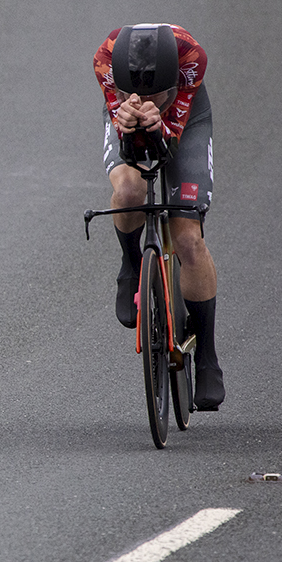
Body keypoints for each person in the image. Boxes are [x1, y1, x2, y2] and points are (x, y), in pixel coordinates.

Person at [93, 23, 224, 410]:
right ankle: (131, 264)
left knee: (188, 239)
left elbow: (169, 142)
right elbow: (129, 144)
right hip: (130, 123)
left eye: (154, 93)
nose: (140, 98)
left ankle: (208, 359)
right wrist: (129, 120)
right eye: (130, 91)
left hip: (187, 119)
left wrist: (159, 122)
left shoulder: (191, 60)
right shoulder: (104, 59)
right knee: (129, 189)